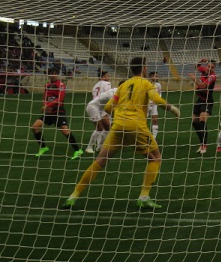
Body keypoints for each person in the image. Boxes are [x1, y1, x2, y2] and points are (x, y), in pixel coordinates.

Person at [62, 56, 181, 210]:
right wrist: (173, 109)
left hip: (118, 126)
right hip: (137, 126)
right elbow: (156, 99)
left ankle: (73, 196)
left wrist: (120, 112)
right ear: (144, 68)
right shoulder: (146, 83)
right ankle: (144, 197)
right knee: (155, 158)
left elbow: (108, 108)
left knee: (100, 160)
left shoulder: (123, 85)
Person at [31, 67, 84, 159]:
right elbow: (45, 97)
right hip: (49, 111)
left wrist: (48, 105)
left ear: (57, 74)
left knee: (64, 130)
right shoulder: (47, 85)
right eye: (52, 73)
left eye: (55, 73)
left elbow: (60, 99)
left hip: (58, 111)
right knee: (35, 127)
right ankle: (44, 148)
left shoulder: (61, 85)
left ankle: (78, 150)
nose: (53, 75)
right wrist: (46, 106)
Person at [188, 59, 217, 154]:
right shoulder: (204, 70)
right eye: (208, 66)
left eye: (212, 67)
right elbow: (196, 66)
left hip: (207, 101)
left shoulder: (212, 76)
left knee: (202, 120)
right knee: (194, 122)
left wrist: (194, 78)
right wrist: (201, 60)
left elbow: (203, 86)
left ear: (214, 68)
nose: (209, 69)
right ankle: (201, 144)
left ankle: (204, 145)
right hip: (199, 100)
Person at [85, 71, 113, 154]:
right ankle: (89, 147)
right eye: (107, 75)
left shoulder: (95, 86)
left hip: (100, 106)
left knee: (107, 127)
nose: (109, 77)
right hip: (95, 107)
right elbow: (108, 94)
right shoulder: (107, 84)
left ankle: (100, 146)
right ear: (103, 77)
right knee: (99, 128)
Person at [147, 71, 163, 138]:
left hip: (154, 104)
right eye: (155, 76)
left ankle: (154, 137)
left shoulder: (158, 85)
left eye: (157, 76)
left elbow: (159, 94)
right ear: (151, 77)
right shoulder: (146, 84)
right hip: (146, 104)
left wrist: (157, 100)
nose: (157, 77)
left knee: (155, 120)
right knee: (143, 120)